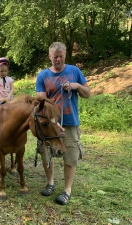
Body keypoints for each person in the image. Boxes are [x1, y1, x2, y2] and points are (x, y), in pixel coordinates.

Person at [35, 42, 90, 205]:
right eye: (54, 57)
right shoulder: (43, 75)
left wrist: (76, 86)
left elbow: (87, 93)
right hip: (49, 124)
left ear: (65, 55)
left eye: (60, 56)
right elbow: (41, 101)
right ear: (49, 57)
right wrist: (53, 121)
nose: (57, 60)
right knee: (46, 153)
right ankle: (50, 183)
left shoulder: (75, 71)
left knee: (71, 156)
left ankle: (67, 190)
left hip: (70, 122)